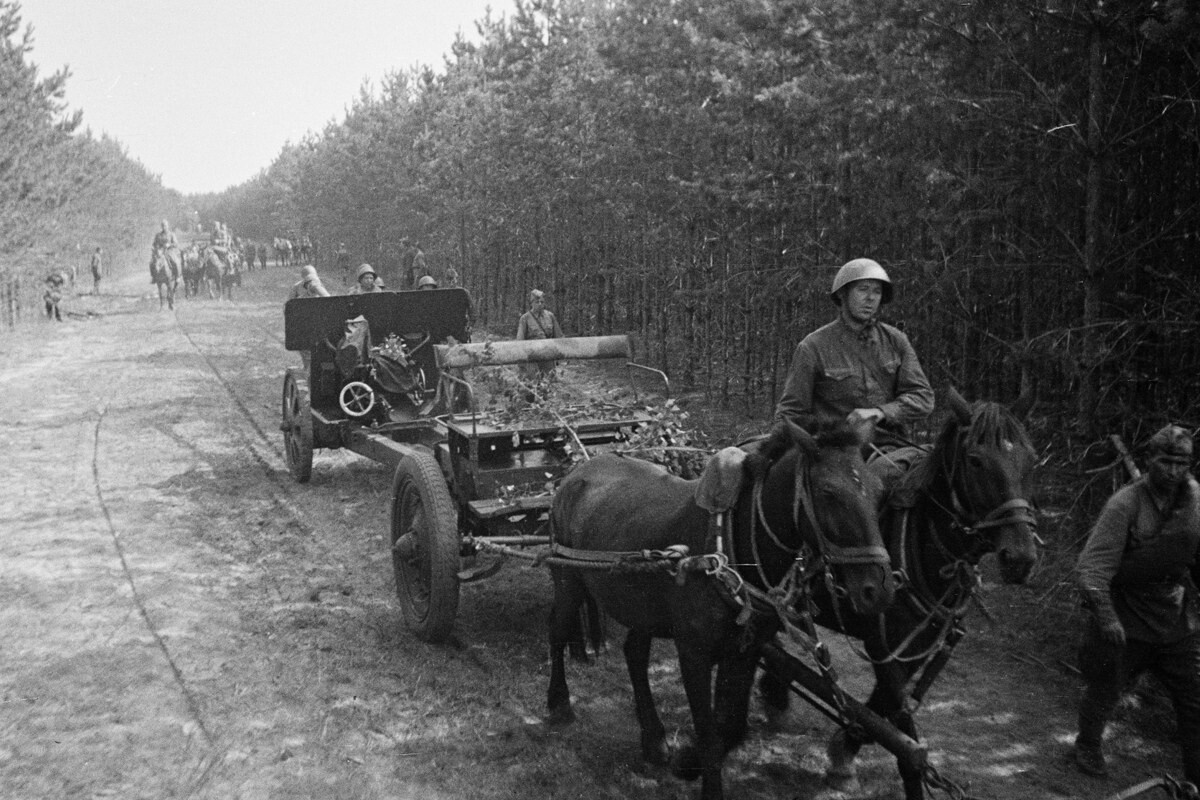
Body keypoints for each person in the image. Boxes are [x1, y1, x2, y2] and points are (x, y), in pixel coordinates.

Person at [1073, 424, 1200, 782]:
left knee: (1195, 703)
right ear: (1148, 460)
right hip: (1126, 614)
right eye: (1165, 462)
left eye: (1182, 463)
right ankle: (1087, 744)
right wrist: (1108, 620)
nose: (1174, 471)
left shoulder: (1194, 501)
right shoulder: (1124, 504)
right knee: (1106, 686)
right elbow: (1091, 570)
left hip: (1176, 617)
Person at [775, 257, 933, 446]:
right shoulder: (813, 347)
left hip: (889, 445)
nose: (871, 298)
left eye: (877, 291)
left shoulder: (895, 341)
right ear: (843, 294)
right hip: (836, 451)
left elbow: (923, 398)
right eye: (863, 289)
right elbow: (791, 413)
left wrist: (881, 412)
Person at [516, 289, 564, 378]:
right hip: (532, 356)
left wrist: (559, 355)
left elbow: (559, 336)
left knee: (549, 381)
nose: (540, 304)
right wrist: (522, 362)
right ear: (532, 303)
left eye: (542, 302)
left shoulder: (550, 316)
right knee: (533, 382)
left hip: (548, 355)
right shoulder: (525, 318)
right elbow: (520, 341)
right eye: (537, 302)